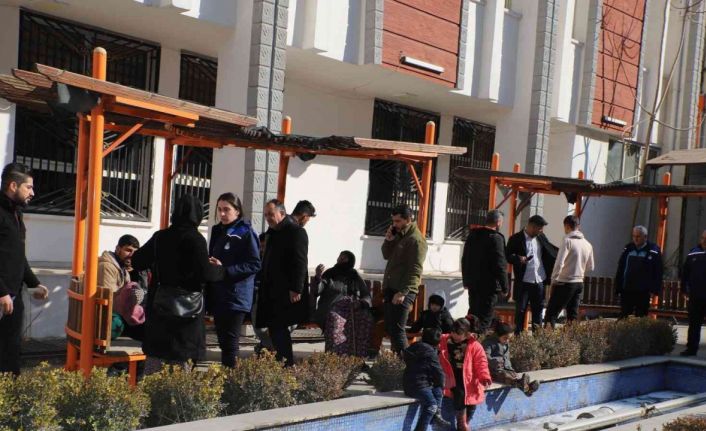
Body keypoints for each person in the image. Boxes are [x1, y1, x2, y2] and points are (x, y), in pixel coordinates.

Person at [130, 195, 223, 374]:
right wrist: (220, 269)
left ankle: (152, 390)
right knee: (180, 364)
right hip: (187, 313)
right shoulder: (195, 239)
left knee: (155, 363)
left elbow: (137, 261)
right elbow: (205, 273)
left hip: (160, 308)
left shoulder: (160, 237)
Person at [0, 163, 49, 375]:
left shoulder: (16, 214)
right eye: (28, 187)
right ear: (13, 185)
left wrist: (34, 282)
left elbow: (17, 254)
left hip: (13, 297)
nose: (33, 192)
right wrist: (2, 291)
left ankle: (9, 393)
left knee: (10, 352)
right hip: (4, 296)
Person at [207, 192, 261, 367]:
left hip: (236, 295)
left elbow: (254, 264)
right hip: (219, 293)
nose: (222, 214)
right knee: (223, 342)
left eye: (227, 209)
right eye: (219, 209)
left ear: (237, 211)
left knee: (230, 344)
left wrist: (226, 269)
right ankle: (227, 376)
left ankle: (231, 379)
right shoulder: (217, 230)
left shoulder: (246, 232)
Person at [256, 199, 309, 366]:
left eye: (271, 214)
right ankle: (281, 362)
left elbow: (300, 262)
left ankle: (286, 364)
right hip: (270, 289)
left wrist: (296, 288)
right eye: (266, 215)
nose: (268, 218)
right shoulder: (272, 232)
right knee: (274, 328)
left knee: (279, 328)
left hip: (285, 291)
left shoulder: (296, 232)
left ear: (282, 213)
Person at [381, 204, 428, 354]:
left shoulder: (415, 240)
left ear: (408, 219)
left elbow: (415, 269)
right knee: (390, 328)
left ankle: (407, 363)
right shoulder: (400, 235)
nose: (395, 224)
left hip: (403, 290)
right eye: (393, 221)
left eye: (398, 221)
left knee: (397, 330)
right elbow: (386, 255)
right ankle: (398, 362)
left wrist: (403, 292)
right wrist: (389, 240)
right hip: (391, 287)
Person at [506, 215, 558, 333]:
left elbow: (550, 251)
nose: (541, 231)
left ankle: (537, 338)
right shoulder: (516, 238)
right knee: (520, 311)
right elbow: (508, 256)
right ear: (532, 226)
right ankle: (518, 338)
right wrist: (518, 258)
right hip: (523, 281)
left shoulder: (541, 237)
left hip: (539, 280)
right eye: (539, 228)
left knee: (538, 311)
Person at [438, 317, 491, 431]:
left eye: (458, 333)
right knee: (460, 393)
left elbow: (481, 362)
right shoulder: (444, 340)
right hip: (450, 375)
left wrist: (484, 376)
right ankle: (461, 424)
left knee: (472, 400)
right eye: (453, 332)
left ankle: (465, 423)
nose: (454, 335)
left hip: (468, 376)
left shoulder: (474, 345)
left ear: (467, 334)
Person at [462, 209, 508, 334]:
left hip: (473, 284)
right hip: (489, 286)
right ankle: (479, 342)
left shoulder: (473, 235)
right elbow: (500, 264)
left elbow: (465, 258)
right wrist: (505, 286)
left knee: (473, 316)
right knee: (485, 319)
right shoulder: (496, 238)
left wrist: (466, 280)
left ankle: (467, 340)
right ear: (498, 222)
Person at [544, 216, 594, 328]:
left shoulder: (567, 241)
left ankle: (546, 337)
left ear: (566, 226)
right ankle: (571, 337)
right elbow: (591, 266)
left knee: (551, 315)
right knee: (572, 315)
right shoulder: (587, 244)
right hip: (579, 283)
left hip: (565, 282)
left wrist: (554, 280)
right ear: (578, 226)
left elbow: (559, 263)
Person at [402, 328, 451, 431]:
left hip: (409, 384)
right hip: (419, 386)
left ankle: (437, 416)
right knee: (431, 405)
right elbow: (438, 372)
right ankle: (429, 422)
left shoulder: (413, 347)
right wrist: (442, 385)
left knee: (437, 389)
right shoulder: (430, 352)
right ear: (436, 342)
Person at [97, 234, 143, 341]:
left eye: (134, 252)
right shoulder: (107, 266)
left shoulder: (123, 269)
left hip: (114, 312)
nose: (131, 255)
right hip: (102, 316)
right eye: (128, 250)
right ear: (118, 249)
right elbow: (109, 298)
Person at [314, 250, 371, 330]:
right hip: (331, 308)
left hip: (351, 309)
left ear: (350, 261)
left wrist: (361, 303)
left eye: (344, 258)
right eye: (340, 257)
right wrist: (318, 277)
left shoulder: (354, 276)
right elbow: (318, 290)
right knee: (335, 319)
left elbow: (366, 295)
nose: (340, 259)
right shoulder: (330, 273)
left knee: (365, 318)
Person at [615, 225, 663, 318]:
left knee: (640, 317)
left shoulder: (653, 250)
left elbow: (658, 271)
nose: (635, 239)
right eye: (634, 236)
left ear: (645, 237)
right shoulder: (628, 248)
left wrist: (654, 290)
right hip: (627, 289)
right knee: (624, 316)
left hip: (643, 291)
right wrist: (618, 287)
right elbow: (621, 268)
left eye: (638, 236)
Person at [482, 321, 539, 396]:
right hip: (493, 370)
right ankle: (525, 388)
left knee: (513, 375)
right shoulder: (489, 343)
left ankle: (526, 387)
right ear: (498, 335)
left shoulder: (505, 344)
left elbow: (506, 358)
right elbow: (484, 356)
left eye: (509, 339)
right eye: (505, 338)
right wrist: (495, 361)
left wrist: (510, 368)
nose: (507, 341)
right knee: (504, 375)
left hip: (505, 369)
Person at [680, 230, 706, 357]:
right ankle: (691, 349)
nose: (704, 240)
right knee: (694, 323)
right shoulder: (693, 253)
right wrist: (684, 289)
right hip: (695, 295)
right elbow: (685, 272)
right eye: (703, 238)